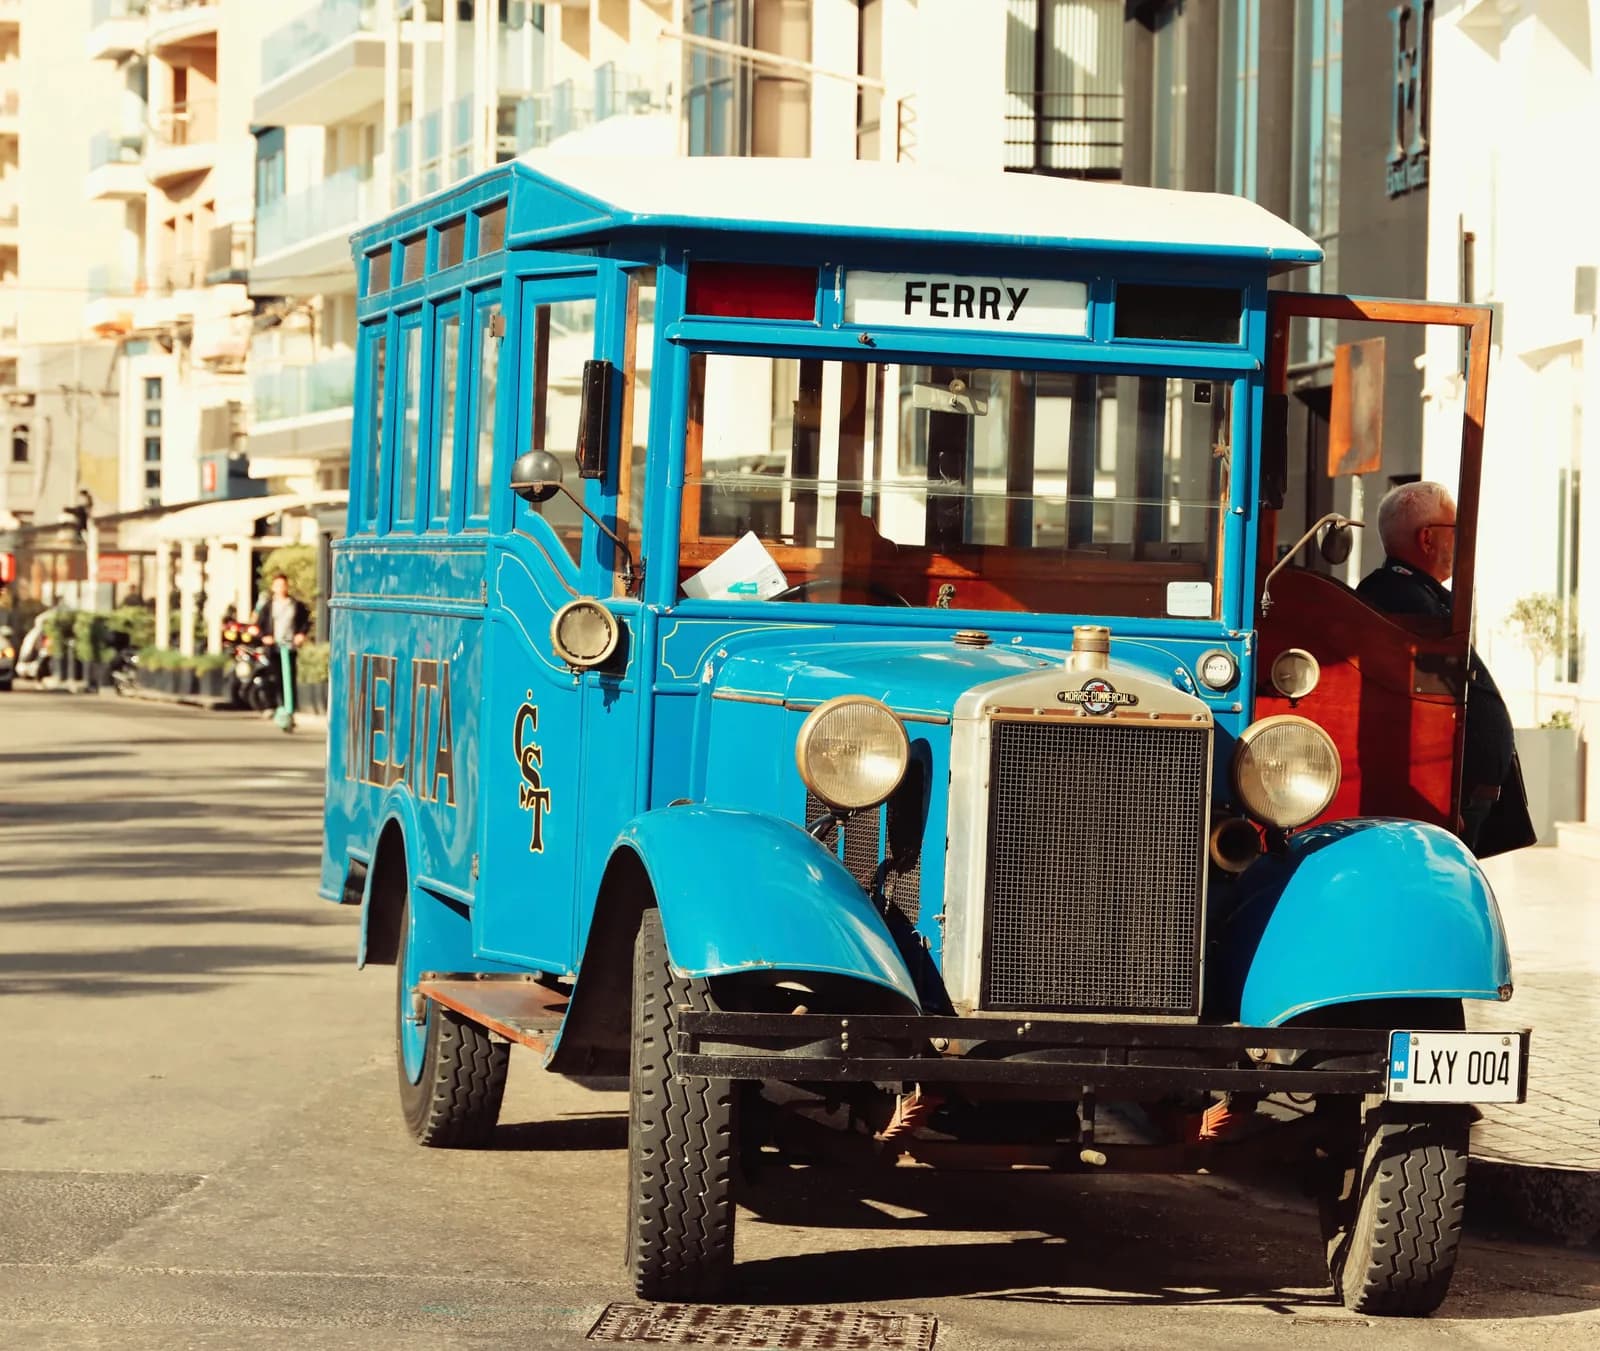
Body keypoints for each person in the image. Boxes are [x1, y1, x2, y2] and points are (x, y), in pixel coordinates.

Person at [1355, 481, 1532, 854]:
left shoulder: (1416, 594)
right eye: (1457, 530)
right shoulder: (1400, 599)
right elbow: (1419, 706)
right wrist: (1442, 793)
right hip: (1443, 804)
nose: (1463, 541)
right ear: (1427, 538)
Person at [253, 573, 310, 723]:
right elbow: (259, 626)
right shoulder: (268, 606)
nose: (281, 588)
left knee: (289, 678)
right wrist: (265, 637)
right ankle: (275, 706)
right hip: (273, 649)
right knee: (274, 677)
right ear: (273, 587)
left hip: (289, 647)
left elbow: (305, 622)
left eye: (283, 585)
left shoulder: (295, 605)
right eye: (277, 585)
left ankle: (290, 709)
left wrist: (300, 635)